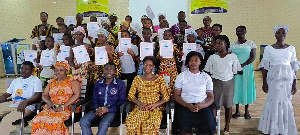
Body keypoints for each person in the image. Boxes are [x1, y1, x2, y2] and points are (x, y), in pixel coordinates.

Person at [258, 25, 298, 135]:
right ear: (275, 34)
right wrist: (264, 82)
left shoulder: (291, 48)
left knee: (286, 101)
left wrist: (295, 83)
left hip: (287, 79)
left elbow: (294, 66)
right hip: (273, 79)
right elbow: (265, 66)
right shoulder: (269, 49)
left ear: (286, 34)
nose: (281, 35)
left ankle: (284, 127)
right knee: (274, 100)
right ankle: (272, 127)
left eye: (283, 32)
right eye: (279, 33)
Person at [204, 35, 242, 134]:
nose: (217, 45)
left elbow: (236, 70)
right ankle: (214, 125)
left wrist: (227, 76)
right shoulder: (213, 57)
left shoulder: (232, 56)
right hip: (215, 82)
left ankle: (227, 126)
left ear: (226, 44)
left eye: (220, 43)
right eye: (216, 43)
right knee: (214, 105)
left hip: (228, 83)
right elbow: (207, 71)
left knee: (228, 105)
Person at [31, 61, 81, 135]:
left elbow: (77, 95)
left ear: (66, 71)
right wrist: (49, 102)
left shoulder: (72, 81)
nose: (58, 72)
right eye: (56, 70)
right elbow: (44, 95)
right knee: (37, 119)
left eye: (61, 70)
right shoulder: (51, 82)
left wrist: (63, 106)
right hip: (52, 107)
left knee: (56, 120)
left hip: (68, 107)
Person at [174, 51, 216, 135]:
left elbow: (211, 97)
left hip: (202, 106)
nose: (193, 62)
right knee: (183, 128)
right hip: (185, 105)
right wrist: (187, 105)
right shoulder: (181, 76)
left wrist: (202, 105)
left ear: (200, 62)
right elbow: (176, 95)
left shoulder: (206, 77)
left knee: (208, 126)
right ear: (187, 62)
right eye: (190, 60)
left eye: (196, 60)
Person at [125, 56, 170, 134]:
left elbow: (166, 97)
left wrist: (155, 105)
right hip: (140, 107)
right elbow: (130, 95)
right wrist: (139, 103)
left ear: (153, 67)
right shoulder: (137, 79)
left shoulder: (159, 79)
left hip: (154, 108)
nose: (147, 67)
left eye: (150, 65)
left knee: (149, 124)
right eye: (145, 64)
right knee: (131, 122)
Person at [80, 62, 126, 135]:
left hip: (112, 110)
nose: (109, 71)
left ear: (115, 72)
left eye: (111, 70)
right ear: (103, 71)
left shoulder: (120, 84)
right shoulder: (98, 83)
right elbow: (95, 99)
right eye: (106, 69)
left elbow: (121, 101)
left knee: (104, 123)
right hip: (98, 109)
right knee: (83, 121)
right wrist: (97, 109)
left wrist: (107, 109)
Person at [0, 61, 42, 135]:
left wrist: (26, 101)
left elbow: (37, 95)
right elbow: (6, 95)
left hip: (26, 106)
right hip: (12, 103)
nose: (23, 70)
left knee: (6, 120)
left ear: (32, 71)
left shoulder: (36, 80)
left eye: (26, 69)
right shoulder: (16, 81)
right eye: (22, 68)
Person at [230, 26, 256, 119]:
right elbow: (230, 57)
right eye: (237, 31)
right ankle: (237, 111)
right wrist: (236, 67)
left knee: (246, 88)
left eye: (241, 31)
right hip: (236, 69)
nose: (239, 32)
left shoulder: (250, 43)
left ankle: (246, 110)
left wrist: (243, 65)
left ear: (245, 31)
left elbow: (253, 57)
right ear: (236, 33)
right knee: (236, 88)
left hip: (247, 68)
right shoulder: (233, 45)